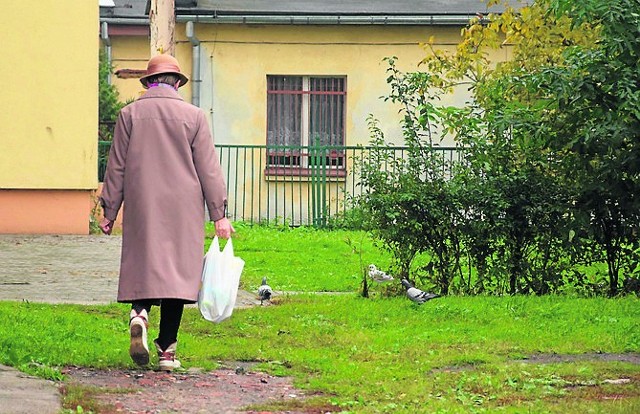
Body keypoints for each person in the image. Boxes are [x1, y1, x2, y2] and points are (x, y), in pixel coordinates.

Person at [99, 54, 234, 371]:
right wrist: (219, 215)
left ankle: (140, 313)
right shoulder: (194, 116)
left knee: (143, 263)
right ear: (177, 83)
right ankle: (167, 351)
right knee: (178, 274)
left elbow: (116, 167)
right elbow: (209, 170)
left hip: (143, 202)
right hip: (184, 207)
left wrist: (109, 210)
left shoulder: (129, 115)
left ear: (148, 83)